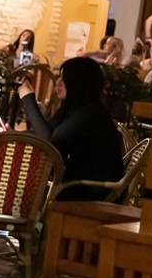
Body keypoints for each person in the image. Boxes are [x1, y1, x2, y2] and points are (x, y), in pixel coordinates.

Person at [19, 57, 124, 197]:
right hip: (74, 185)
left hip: (91, 192)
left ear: (78, 82)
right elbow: (46, 132)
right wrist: (12, 135)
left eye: (64, 78)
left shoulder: (91, 113)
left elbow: (49, 143)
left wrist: (28, 99)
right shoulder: (74, 108)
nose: (58, 83)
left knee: (23, 189)